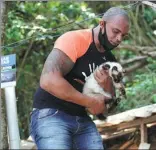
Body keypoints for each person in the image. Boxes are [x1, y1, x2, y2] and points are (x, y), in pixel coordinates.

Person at [29, 7, 129, 149]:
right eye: (116, 31)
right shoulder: (75, 39)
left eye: (123, 35)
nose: (119, 39)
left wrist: (106, 84)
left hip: (82, 120)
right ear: (102, 24)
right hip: (52, 114)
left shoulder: (110, 61)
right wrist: (89, 101)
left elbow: (103, 110)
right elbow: (48, 80)